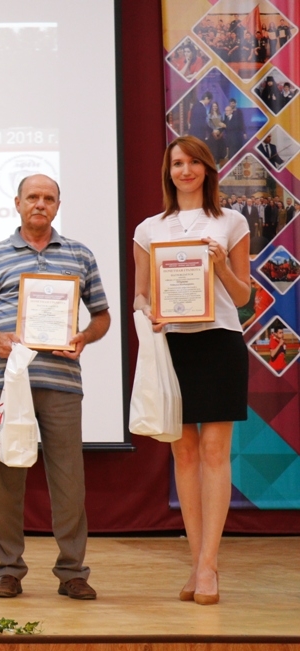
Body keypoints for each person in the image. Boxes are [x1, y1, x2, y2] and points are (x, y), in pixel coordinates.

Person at [0, 174, 111, 601]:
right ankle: (9, 570)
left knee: (69, 480)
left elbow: (102, 316)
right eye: (32, 197)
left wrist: (84, 337)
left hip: (62, 382)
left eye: (48, 198)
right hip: (9, 382)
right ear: (17, 203)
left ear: (57, 204)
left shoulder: (79, 255)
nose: (40, 204)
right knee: (7, 477)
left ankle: (72, 571)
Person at [133, 136, 251, 606]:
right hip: (171, 347)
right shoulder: (148, 228)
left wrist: (220, 266)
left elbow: (242, 298)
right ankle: (195, 561)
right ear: (168, 170)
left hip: (219, 341)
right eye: (177, 162)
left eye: (193, 162)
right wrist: (150, 313)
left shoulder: (231, 221)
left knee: (215, 451)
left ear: (207, 169)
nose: (185, 170)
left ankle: (209, 566)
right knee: (183, 454)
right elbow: (140, 296)